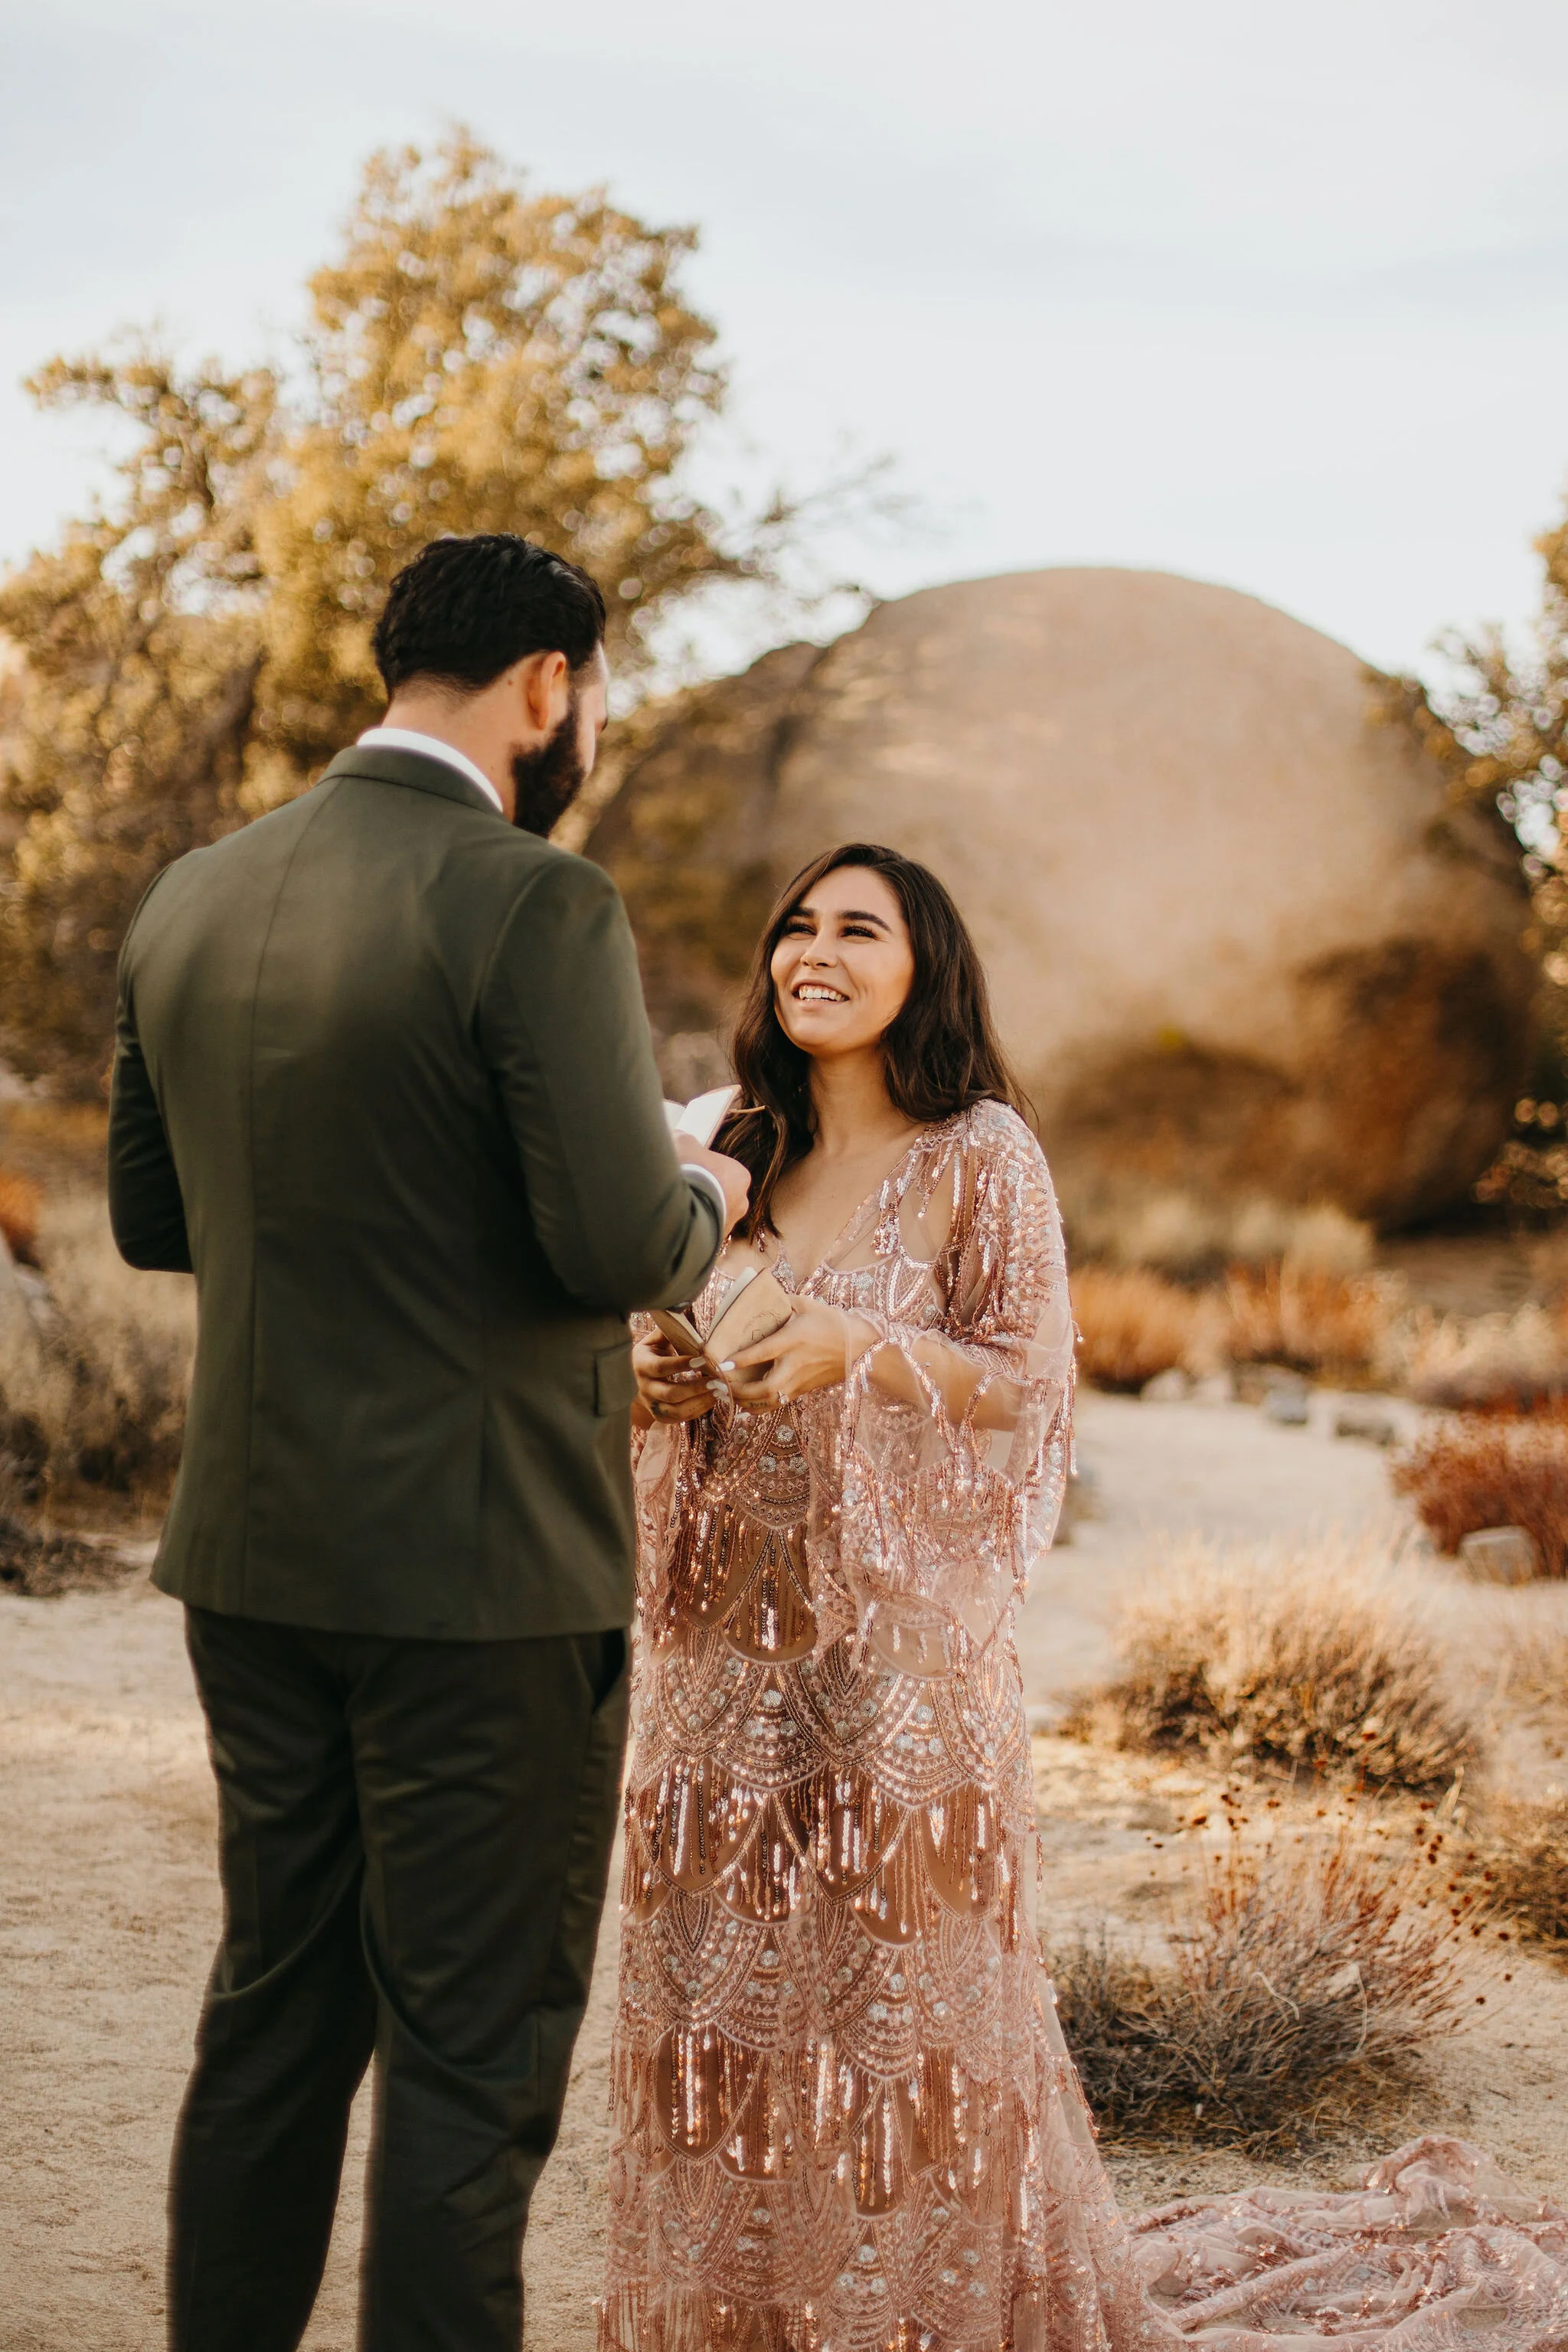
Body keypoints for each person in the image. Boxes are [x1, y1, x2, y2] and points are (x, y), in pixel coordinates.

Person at [601, 842, 1568, 2351]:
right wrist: (662, 1377)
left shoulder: (977, 1149)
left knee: (908, 2010)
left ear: (927, 971)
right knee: (716, 2008)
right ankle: (739, 2312)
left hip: (899, 1653)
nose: (816, 950)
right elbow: (653, 1362)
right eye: (796, 925)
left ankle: (923, 2316)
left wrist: (854, 1347)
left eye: (861, 929)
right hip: (723, 1646)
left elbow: (1027, 1381)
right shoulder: (735, 1144)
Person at [107, 531, 750, 2352]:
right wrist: (701, 1172)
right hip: (488, 1592)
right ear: (550, 682)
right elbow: (621, 1251)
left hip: (247, 1559)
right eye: (597, 695)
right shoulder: (538, 903)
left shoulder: (189, 897)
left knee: (275, 2016)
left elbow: (161, 1224)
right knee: (473, 2068)